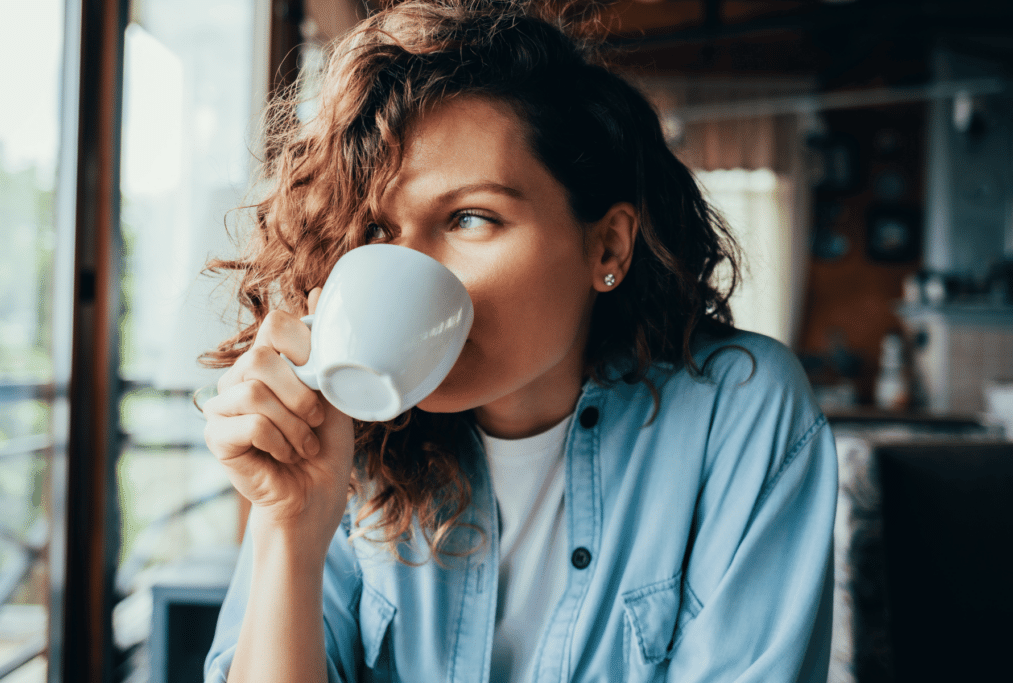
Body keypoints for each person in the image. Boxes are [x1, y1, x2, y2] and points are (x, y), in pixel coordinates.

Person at [201, 1, 838, 681]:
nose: (408, 268)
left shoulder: (739, 411)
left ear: (607, 245)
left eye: (471, 217)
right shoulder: (344, 438)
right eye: (380, 231)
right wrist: (291, 526)